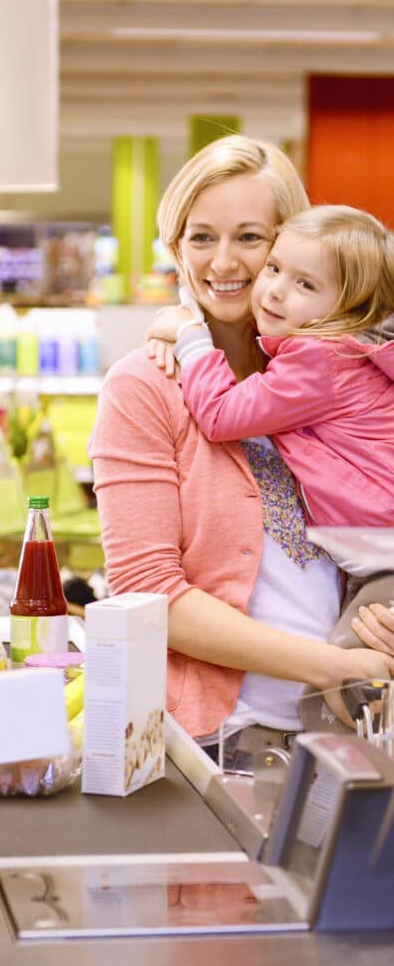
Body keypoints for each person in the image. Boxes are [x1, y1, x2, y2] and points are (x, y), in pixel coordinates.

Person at [88, 135, 394, 763]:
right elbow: (149, 593)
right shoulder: (145, 386)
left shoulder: (337, 378)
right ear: (176, 248)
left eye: (251, 239)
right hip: (220, 742)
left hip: (346, 743)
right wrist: (333, 664)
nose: (223, 261)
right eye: (201, 237)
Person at [149, 203, 394, 540]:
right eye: (274, 267)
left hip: (380, 543)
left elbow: (221, 415)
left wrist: (190, 338)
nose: (277, 289)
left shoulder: (321, 359)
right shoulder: (339, 353)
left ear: (352, 308)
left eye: (306, 285)